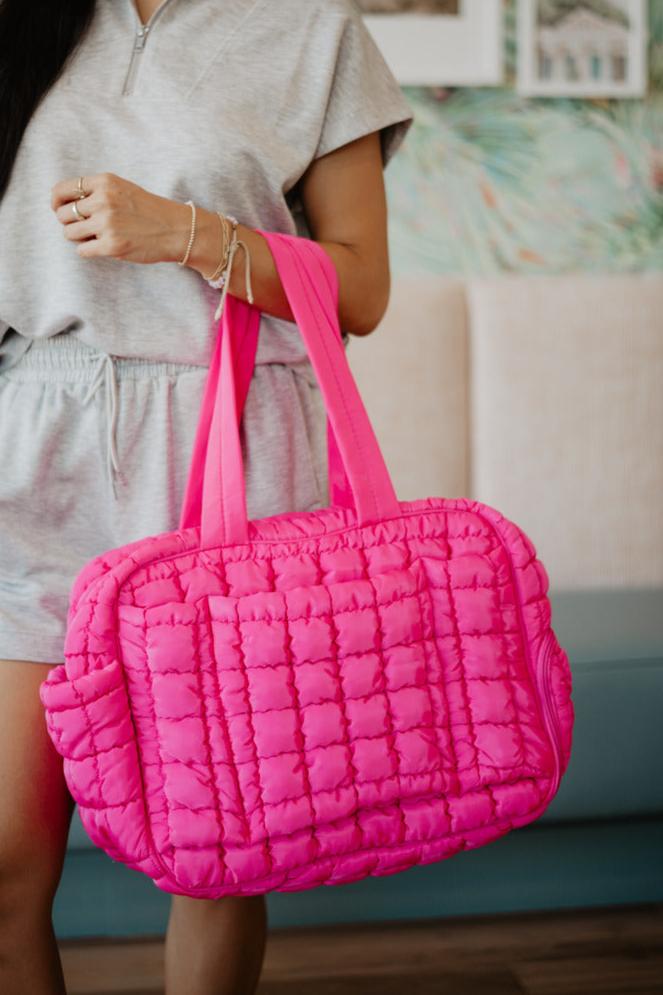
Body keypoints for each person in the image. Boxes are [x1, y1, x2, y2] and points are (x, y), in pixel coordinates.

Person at [0, 0, 414, 992]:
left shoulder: (313, 33)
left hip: (227, 447)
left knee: (218, 848)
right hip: (35, 444)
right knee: (5, 860)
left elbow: (360, 290)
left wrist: (186, 232)